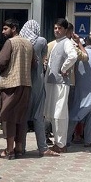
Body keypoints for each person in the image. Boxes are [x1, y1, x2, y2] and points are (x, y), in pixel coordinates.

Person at [19, 20, 59, 157]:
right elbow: (43, 60)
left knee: (23, 117)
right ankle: (42, 147)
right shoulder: (41, 41)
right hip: (37, 82)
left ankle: (20, 147)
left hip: (23, 82)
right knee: (38, 116)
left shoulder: (20, 42)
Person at [0, 19, 33, 159]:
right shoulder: (29, 43)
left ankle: (9, 150)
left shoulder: (10, 43)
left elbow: (2, 61)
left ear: (14, 28)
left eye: (5, 29)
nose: (3, 32)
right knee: (21, 118)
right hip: (26, 84)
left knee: (9, 117)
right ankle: (19, 148)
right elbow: (34, 63)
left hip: (11, 84)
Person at [44, 18, 78, 153]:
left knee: (60, 114)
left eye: (59, 28)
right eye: (55, 28)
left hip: (61, 83)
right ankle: (58, 142)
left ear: (65, 30)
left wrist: (64, 69)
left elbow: (73, 56)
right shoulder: (57, 43)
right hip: (52, 82)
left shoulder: (67, 43)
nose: (56, 31)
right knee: (52, 114)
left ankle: (61, 144)